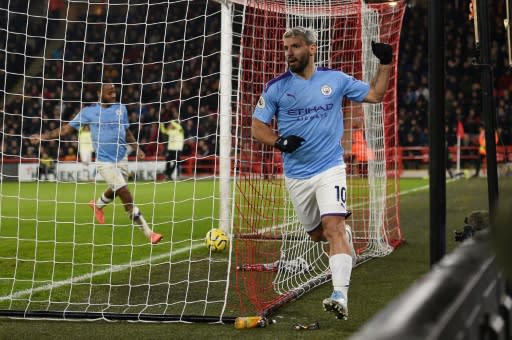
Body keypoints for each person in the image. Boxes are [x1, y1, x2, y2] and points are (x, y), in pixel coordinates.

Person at [251, 26, 392, 320]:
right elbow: (257, 127)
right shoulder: (276, 87)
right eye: (286, 47)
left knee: (333, 229)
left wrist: (386, 64)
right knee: (317, 235)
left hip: (330, 167)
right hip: (297, 174)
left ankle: (340, 294)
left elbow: (376, 95)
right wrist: (278, 140)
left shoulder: (336, 80)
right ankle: (344, 234)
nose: (289, 53)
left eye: (295, 47)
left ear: (312, 48)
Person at [31, 83, 163, 244]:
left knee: (116, 190)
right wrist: (43, 137)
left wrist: (137, 148)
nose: (114, 95)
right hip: (104, 162)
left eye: (115, 92)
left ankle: (97, 204)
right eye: (110, 92)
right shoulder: (88, 112)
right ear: (100, 93)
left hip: (122, 158)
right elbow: (66, 129)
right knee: (125, 194)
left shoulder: (121, 108)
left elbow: (127, 132)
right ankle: (150, 234)